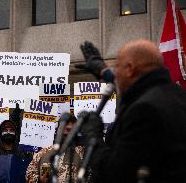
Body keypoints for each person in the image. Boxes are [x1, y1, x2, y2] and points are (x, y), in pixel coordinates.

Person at [77, 39, 186, 183]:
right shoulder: (178, 95)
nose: (115, 73)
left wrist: (92, 136)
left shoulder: (144, 111)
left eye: (117, 67)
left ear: (129, 69)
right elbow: (137, 86)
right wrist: (103, 71)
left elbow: (116, 174)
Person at [26, 114, 85, 183]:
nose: (66, 132)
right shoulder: (45, 153)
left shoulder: (83, 153)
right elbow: (30, 174)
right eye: (64, 128)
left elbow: (91, 177)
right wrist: (40, 179)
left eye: (70, 130)